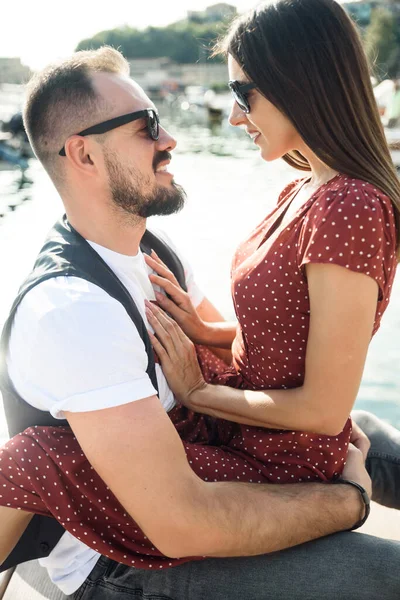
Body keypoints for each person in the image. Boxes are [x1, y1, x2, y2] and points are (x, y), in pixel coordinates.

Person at [0, 2, 400, 597]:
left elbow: (280, 363)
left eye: (243, 92)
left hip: (220, 452)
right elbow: (185, 520)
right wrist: (347, 499)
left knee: (367, 430)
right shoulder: (73, 311)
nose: (174, 136)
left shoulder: (159, 252)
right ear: (83, 154)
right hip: (120, 560)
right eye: (147, 124)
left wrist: (200, 380)